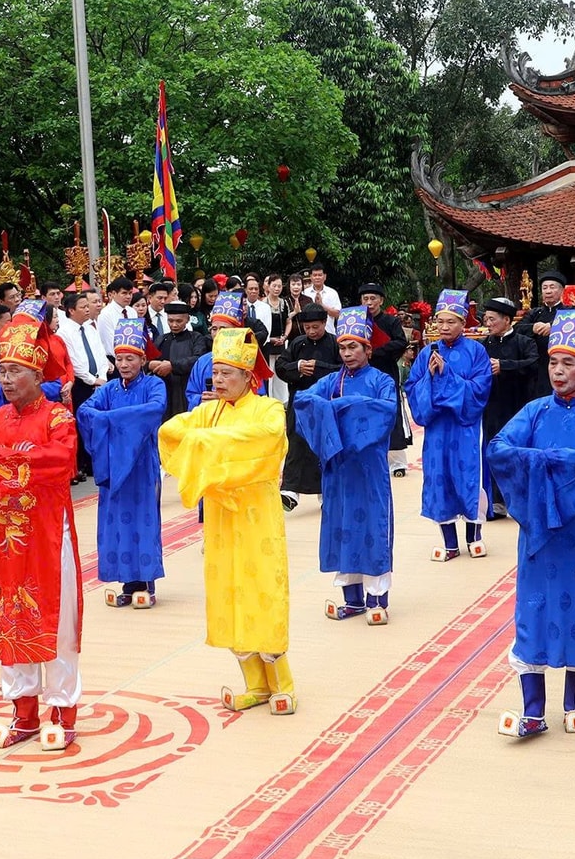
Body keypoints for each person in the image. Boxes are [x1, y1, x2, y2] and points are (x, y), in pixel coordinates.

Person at [0, 325, 84, 750]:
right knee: (10, 617)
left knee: (57, 620)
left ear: (37, 375)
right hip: (8, 541)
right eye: (2, 371)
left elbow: (61, 458)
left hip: (49, 536)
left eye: (14, 371)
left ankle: (62, 711)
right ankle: (23, 713)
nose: (4, 379)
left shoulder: (58, 417)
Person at [487, 309, 575, 738]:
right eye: (553, 362)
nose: (558, 371)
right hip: (540, 532)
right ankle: (533, 711)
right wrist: (541, 462)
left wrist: (549, 463)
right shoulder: (534, 411)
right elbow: (498, 447)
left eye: (568, 363)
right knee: (534, 608)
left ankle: (574, 704)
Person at [159, 328, 296, 713]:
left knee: (262, 589)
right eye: (215, 373)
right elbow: (171, 431)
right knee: (229, 592)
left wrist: (207, 444)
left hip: (257, 514)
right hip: (221, 515)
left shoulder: (269, 408)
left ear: (248, 377)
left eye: (226, 373)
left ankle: (282, 683)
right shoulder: (210, 411)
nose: (217, 380)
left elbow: (266, 438)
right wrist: (202, 443)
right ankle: (255, 684)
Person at [295, 307, 398, 623]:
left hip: (368, 468)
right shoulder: (331, 381)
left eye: (354, 347)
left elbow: (385, 412)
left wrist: (341, 406)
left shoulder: (381, 381)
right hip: (339, 468)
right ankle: (352, 601)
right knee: (343, 528)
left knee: (373, 526)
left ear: (368, 349)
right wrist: (332, 408)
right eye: (342, 348)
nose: (347, 353)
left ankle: (377, 599)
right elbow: (303, 400)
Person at [76, 318, 168, 608]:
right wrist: (110, 420)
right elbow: (85, 411)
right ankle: (127, 584)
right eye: (119, 359)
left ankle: (146, 584)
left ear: (143, 359)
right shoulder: (110, 389)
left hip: (142, 466)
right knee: (116, 522)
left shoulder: (154, 385)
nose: (124, 364)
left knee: (143, 519)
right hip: (114, 465)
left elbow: (155, 409)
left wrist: (109, 419)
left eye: (130, 358)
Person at [407, 290, 492, 561]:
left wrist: (447, 375)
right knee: (439, 477)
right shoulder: (426, 353)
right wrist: (430, 377)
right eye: (440, 321)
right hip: (438, 428)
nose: (444, 327)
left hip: (466, 426)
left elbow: (480, 389)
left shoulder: (476, 351)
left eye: (451, 322)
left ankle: (474, 537)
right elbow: (412, 387)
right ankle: (450, 543)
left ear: (463, 323)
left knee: (469, 476)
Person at [277, 304, 340, 509]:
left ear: (324, 323)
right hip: (300, 401)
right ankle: (290, 491)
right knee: (296, 444)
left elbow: (343, 369)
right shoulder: (297, 343)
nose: (311, 331)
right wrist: (297, 367)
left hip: (326, 403)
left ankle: (326, 492)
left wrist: (317, 367)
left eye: (315, 327)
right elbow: (281, 367)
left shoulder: (335, 343)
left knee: (325, 445)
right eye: (307, 327)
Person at [480, 297, 537, 518]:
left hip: (518, 406)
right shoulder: (484, 344)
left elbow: (533, 365)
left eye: (492, 319)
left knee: (518, 451)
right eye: (486, 319)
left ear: (507, 320)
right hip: (492, 407)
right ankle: (496, 501)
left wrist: (504, 366)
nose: (488, 323)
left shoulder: (524, 342)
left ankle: (521, 499)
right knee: (493, 451)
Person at [359, 284, 412, 476]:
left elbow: (401, 342)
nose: (369, 302)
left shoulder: (391, 321)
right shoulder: (357, 321)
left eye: (373, 298)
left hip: (386, 371)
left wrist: (376, 352)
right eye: (365, 299)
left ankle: (397, 462)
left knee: (391, 412)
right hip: (362, 373)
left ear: (381, 300)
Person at [60, 288, 111, 479]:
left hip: (100, 381)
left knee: (98, 422)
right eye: (83, 307)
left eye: (87, 306)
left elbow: (100, 354)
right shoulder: (64, 332)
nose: (87, 309)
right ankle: (82, 463)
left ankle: (96, 462)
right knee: (81, 423)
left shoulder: (90, 328)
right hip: (81, 383)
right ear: (71, 310)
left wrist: (102, 377)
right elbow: (73, 361)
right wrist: (92, 379)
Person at [156, 295, 212, 419]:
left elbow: (198, 359)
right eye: (170, 321)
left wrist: (173, 366)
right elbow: (148, 360)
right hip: (165, 389)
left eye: (179, 321)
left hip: (186, 387)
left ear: (187, 320)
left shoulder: (196, 338)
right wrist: (150, 364)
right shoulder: (161, 339)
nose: (174, 325)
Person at [524, 270, 567, 399]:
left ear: (562, 291)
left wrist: (553, 326)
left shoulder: (569, 311)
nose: (548, 291)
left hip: (563, 364)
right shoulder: (534, 313)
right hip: (538, 366)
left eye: (552, 287)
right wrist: (533, 328)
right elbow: (517, 329)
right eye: (545, 288)